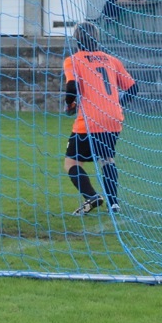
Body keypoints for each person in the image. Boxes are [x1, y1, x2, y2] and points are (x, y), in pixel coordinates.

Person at [63, 22, 138, 215]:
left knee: (71, 162)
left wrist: (70, 105)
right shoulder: (111, 60)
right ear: (97, 39)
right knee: (107, 159)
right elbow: (133, 87)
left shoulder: (73, 60)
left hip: (90, 119)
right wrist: (118, 104)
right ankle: (114, 204)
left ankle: (92, 196)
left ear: (77, 40)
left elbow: (71, 87)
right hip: (113, 118)